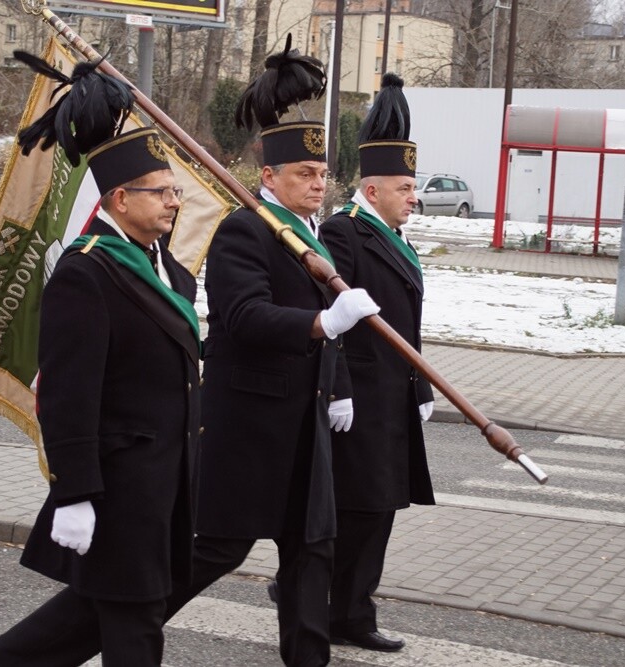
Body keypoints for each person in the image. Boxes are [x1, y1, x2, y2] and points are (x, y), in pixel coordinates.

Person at [162, 37, 379, 667]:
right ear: (268, 178)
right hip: (249, 428)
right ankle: (112, 618)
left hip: (305, 430)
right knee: (214, 553)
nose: (318, 184)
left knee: (313, 551)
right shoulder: (244, 230)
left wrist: (336, 385)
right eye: (303, 175)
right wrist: (320, 323)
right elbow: (244, 317)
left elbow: (328, 331)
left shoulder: (315, 237)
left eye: (322, 174)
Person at [0, 126, 202, 666]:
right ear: (120, 199)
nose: (174, 202)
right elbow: (68, 395)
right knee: (135, 617)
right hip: (121, 484)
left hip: (167, 480)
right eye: (161, 192)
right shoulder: (86, 273)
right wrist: (74, 493)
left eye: (175, 191)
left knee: (104, 605)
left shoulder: (168, 270)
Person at [317, 73, 436, 653]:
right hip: (358, 396)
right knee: (358, 508)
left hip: (392, 395)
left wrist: (420, 388)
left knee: (380, 508)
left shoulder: (396, 237)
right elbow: (331, 314)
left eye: (414, 187)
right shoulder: (343, 233)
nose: (415, 196)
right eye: (406, 187)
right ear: (373, 188)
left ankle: (346, 605)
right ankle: (339, 608)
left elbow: (405, 324)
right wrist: (338, 388)